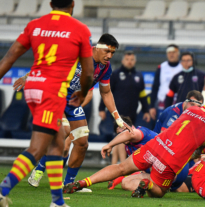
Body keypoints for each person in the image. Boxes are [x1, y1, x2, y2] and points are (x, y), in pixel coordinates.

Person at [0, 0, 94, 207]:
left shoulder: (35, 24)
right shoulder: (80, 29)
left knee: (57, 142)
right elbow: (88, 73)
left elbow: (10, 56)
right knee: (38, 147)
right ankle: (2, 191)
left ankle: (57, 203)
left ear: (50, 4)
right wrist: (83, 91)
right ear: (72, 5)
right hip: (52, 91)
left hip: (33, 86)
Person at [22, 34, 131, 191]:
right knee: (64, 131)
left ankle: (69, 184)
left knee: (82, 143)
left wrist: (117, 117)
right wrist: (28, 76)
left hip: (72, 103)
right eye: (107, 51)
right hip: (56, 97)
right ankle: (39, 169)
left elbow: (106, 93)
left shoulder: (105, 68)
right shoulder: (78, 55)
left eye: (112, 53)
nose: (109, 56)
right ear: (96, 47)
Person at [64, 105, 205, 198]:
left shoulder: (192, 110)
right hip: (170, 160)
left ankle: (83, 182)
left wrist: (110, 144)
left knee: (120, 168)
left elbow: (191, 133)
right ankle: (147, 184)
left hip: (155, 146)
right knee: (159, 191)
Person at [99, 51, 151, 124]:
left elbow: (142, 95)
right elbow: (106, 92)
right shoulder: (115, 74)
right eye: (127, 59)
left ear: (135, 61)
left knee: (130, 134)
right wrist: (101, 109)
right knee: (118, 134)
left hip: (132, 115)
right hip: (117, 114)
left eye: (132, 59)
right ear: (122, 61)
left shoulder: (139, 76)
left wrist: (146, 111)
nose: (129, 61)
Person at [150, 44, 183, 120]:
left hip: (179, 104)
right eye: (169, 52)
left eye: (174, 52)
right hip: (162, 104)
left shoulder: (182, 67)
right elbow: (155, 87)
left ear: (178, 53)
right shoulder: (161, 67)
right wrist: (152, 106)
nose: (171, 54)